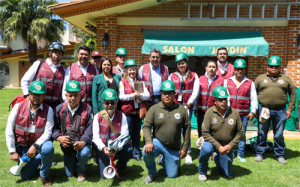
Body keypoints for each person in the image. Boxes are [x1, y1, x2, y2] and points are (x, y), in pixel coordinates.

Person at [6, 81, 54, 186]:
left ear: (44, 95)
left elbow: (48, 132)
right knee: (25, 176)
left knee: (48, 148)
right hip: (23, 147)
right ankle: (39, 160)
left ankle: (44, 175)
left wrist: (35, 145)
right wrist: (12, 151)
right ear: (29, 94)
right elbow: (9, 129)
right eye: (34, 94)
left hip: (39, 145)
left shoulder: (49, 110)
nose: (36, 97)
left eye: (40, 95)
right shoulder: (18, 107)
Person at [142, 80, 191, 183]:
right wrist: (148, 142)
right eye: (164, 93)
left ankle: (163, 159)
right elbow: (146, 126)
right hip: (158, 143)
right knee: (145, 151)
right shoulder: (154, 109)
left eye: (169, 93)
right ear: (161, 94)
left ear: (174, 94)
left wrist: (185, 148)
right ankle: (152, 173)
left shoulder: (181, 109)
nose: (167, 96)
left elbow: (187, 129)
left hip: (173, 148)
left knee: (172, 175)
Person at [254, 55, 296, 164]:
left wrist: (290, 109)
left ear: (280, 67)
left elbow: (293, 94)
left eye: (276, 66)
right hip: (264, 110)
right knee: (262, 132)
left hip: (281, 111)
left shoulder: (286, 79)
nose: (274, 68)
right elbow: (253, 94)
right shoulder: (260, 78)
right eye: (271, 66)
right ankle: (260, 153)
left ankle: (280, 154)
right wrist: (254, 109)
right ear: (267, 67)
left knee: (279, 134)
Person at [198, 86, 243, 181]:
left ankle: (216, 157)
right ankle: (202, 172)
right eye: (220, 100)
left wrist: (230, 146)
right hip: (211, 143)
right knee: (206, 149)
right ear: (215, 101)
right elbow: (205, 133)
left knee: (227, 174)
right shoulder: (209, 113)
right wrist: (219, 146)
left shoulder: (234, 113)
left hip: (226, 146)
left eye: (225, 99)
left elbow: (240, 132)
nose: (224, 102)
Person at [52, 80, 93, 182]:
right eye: (70, 95)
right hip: (68, 146)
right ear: (66, 95)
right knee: (69, 174)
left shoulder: (88, 109)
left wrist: (83, 141)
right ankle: (76, 160)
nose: (73, 98)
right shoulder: (59, 108)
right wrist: (58, 137)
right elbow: (53, 127)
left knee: (84, 153)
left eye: (76, 95)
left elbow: (91, 127)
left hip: (82, 143)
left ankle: (81, 170)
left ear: (80, 95)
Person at [93, 89, 132, 181]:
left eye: (112, 102)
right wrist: (103, 148)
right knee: (104, 176)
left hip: (118, 147)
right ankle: (104, 161)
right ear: (103, 103)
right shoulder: (97, 116)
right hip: (103, 148)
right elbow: (95, 137)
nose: (110, 105)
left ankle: (119, 169)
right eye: (107, 103)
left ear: (116, 102)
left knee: (128, 149)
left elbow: (125, 135)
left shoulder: (122, 116)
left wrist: (117, 148)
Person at [168, 52, 199, 165]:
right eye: (179, 63)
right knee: (175, 129)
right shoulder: (172, 76)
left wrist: (189, 103)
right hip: (175, 107)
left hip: (187, 107)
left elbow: (196, 92)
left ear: (186, 63)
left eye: (183, 63)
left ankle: (188, 153)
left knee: (186, 130)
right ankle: (176, 151)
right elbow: (169, 91)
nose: (181, 65)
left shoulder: (194, 76)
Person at [226, 59, 258, 162]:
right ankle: (231, 151)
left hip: (243, 114)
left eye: (242, 69)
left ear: (245, 70)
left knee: (242, 134)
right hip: (230, 113)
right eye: (238, 69)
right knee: (229, 134)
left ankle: (240, 153)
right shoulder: (227, 81)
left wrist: (253, 111)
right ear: (234, 70)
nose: (240, 71)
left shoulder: (250, 83)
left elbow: (253, 98)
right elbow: (225, 98)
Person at [119, 59, 150, 161]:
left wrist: (139, 96)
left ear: (136, 70)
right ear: (126, 71)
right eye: (130, 70)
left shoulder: (139, 82)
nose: (132, 72)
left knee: (136, 134)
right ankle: (126, 152)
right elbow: (121, 97)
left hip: (138, 113)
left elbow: (147, 95)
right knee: (127, 134)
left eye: (133, 70)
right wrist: (133, 96)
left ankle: (136, 153)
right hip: (127, 113)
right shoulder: (122, 82)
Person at [21, 41, 65, 110]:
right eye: (55, 52)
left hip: (56, 105)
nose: (57, 54)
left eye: (60, 53)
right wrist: (26, 95)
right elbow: (24, 80)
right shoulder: (39, 64)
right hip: (39, 103)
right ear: (50, 52)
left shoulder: (63, 70)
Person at [194, 60, 224, 137]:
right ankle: (201, 148)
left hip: (214, 112)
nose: (211, 69)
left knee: (213, 132)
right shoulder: (200, 79)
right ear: (206, 68)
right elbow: (196, 95)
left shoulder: (222, 81)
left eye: (213, 67)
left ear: (217, 69)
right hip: (201, 111)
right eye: (209, 67)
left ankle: (213, 148)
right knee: (201, 131)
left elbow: (224, 97)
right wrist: (195, 108)